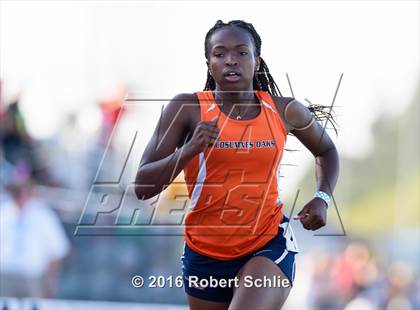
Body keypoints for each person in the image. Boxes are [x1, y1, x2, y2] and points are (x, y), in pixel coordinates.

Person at [135, 20, 339, 310]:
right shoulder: (187, 109)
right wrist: (190, 149)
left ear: (257, 61)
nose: (230, 60)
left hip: (266, 244)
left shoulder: (283, 110)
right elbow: (142, 187)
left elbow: (327, 150)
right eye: (219, 54)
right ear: (209, 64)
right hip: (204, 252)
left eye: (242, 52)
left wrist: (322, 198)